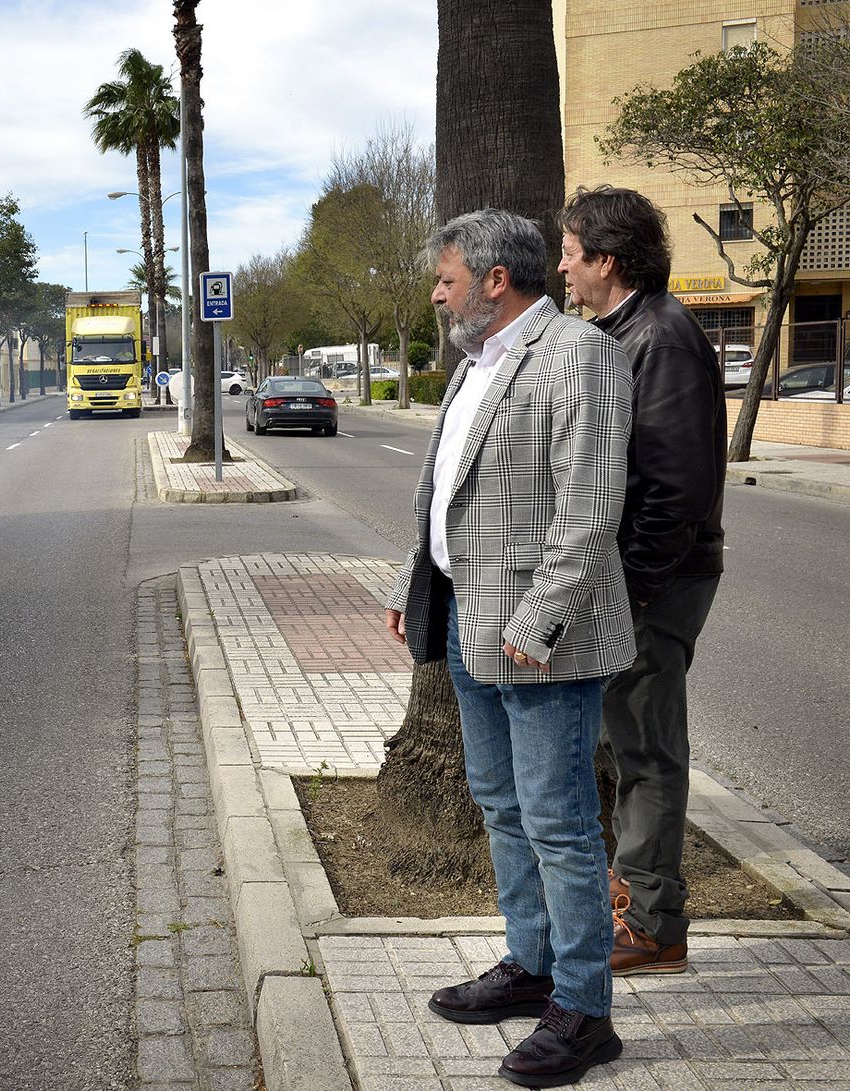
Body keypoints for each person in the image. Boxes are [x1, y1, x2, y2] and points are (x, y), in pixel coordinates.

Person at [384, 208, 635, 1088]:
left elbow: (590, 507)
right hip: (466, 620)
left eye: (446, 278)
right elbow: (445, 494)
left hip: (540, 641)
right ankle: (531, 964)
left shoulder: (580, 354)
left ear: (495, 279)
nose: (436, 293)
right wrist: (415, 583)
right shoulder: (475, 363)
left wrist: (540, 619)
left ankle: (585, 1009)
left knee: (560, 822)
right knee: (499, 802)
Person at [558, 186, 726, 977]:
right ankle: (632, 896)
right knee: (623, 741)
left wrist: (632, 590)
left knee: (648, 749)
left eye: (571, 253)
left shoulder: (660, 336)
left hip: (654, 582)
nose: (562, 267)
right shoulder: (621, 333)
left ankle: (655, 927)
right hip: (631, 580)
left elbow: (673, 488)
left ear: (607, 260)